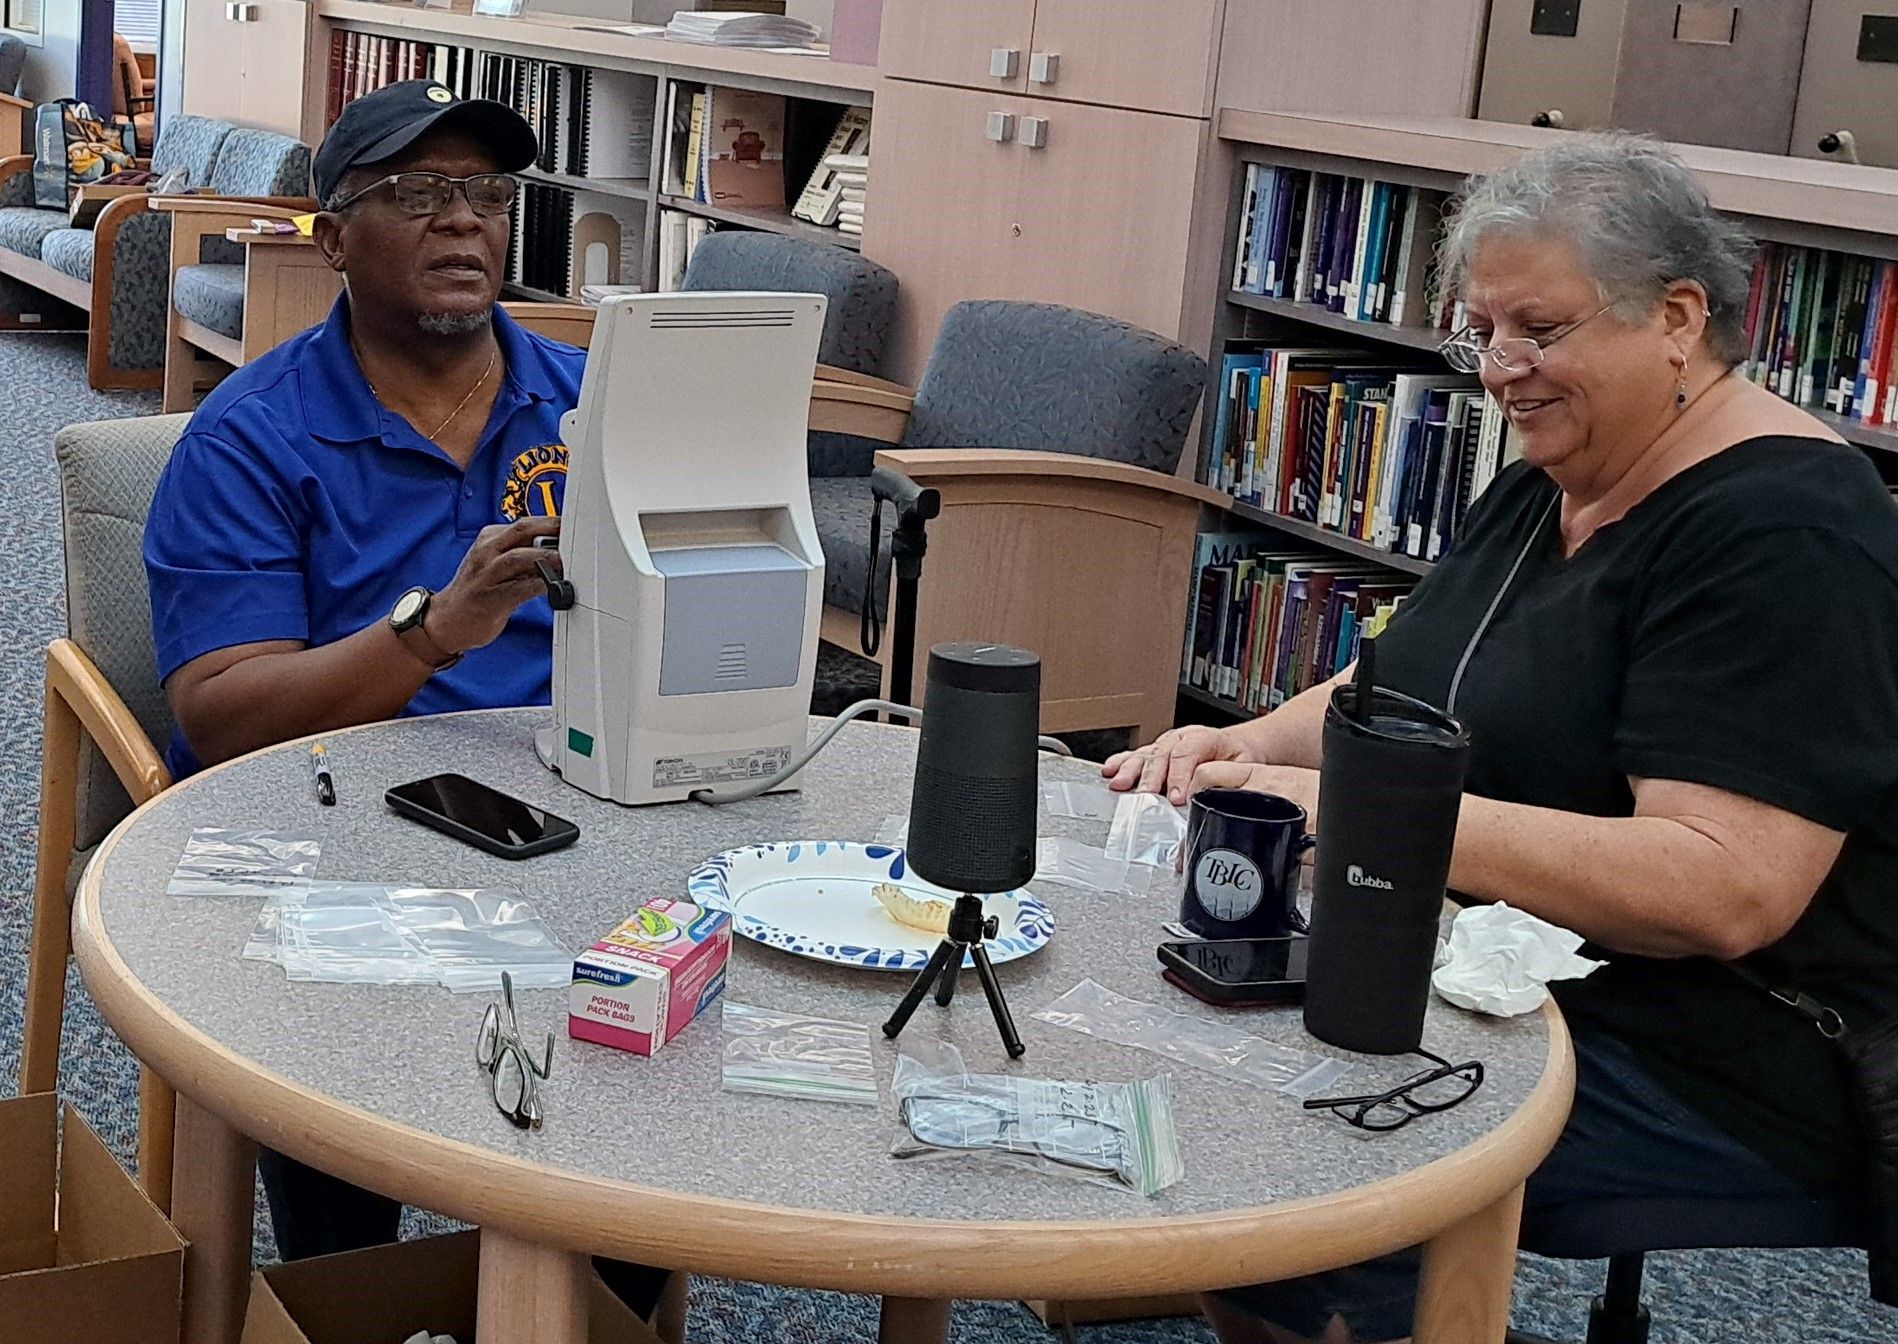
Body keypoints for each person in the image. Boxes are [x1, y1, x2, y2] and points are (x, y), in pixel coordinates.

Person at [1104, 132, 1898, 1343]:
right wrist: (1246, 741)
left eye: (1540, 329)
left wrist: (1353, 812)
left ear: (1676, 317)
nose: (1501, 370)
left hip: (1732, 1045)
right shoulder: (1557, 467)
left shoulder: (1787, 532)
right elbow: (1403, 686)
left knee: (1283, 1145)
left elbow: (1720, 890)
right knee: (1182, 1008)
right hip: (1501, 964)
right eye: (1480, 333)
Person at [142, 81, 662, 1312]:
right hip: (337, 826)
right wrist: (429, 633)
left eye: (484, 193)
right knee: (326, 1054)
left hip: (577, 800)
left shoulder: (593, 406)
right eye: (416, 195)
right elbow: (222, 713)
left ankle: (603, 1304)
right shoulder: (249, 437)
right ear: (332, 237)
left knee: (669, 1034)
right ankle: (354, 1296)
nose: (461, 222)